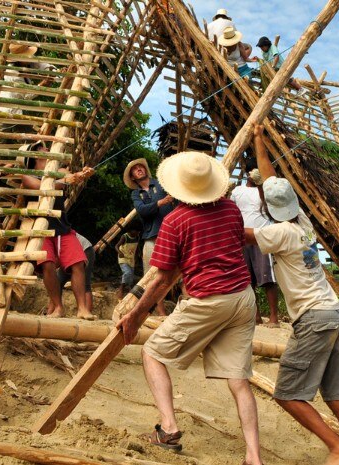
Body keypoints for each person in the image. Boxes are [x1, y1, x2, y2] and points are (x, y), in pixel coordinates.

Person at [116, 151, 262, 464]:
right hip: (242, 297)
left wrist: (135, 316)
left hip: (209, 300)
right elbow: (234, 243)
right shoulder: (231, 209)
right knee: (238, 380)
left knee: (152, 354)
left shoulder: (176, 221)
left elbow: (162, 280)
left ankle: (168, 429)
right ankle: (253, 456)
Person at [244, 124, 339, 465]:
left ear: (269, 208)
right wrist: (258, 140)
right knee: (337, 398)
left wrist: (206, 201)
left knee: (287, 394)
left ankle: (338, 447)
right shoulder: (302, 221)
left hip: (314, 319)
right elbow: (272, 180)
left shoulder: (280, 233)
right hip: (335, 314)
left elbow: (241, 234)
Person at [16, 141, 94, 320]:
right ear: (34, 155)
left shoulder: (61, 170)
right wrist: (66, 180)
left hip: (62, 227)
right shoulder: (27, 175)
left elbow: (69, 176)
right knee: (47, 265)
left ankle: (82, 309)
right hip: (40, 228)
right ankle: (58, 307)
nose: (47, 149)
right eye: (42, 148)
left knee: (78, 263)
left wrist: (81, 175)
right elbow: (42, 188)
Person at [230, 167, 280, 327]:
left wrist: (261, 186)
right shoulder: (237, 191)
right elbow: (232, 210)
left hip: (262, 237)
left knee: (268, 279)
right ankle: (256, 316)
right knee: (247, 280)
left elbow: (271, 209)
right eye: (253, 172)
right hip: (243, 238)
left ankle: (274, 317)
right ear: (247, 174)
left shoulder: (265, 192)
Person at [125, 157, 175, 316]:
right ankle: (160, 312)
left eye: (141, 166)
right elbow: (142, 211)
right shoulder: (135, 194)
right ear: (132, 177)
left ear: (146, 170)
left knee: (181, 272)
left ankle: (188, 304)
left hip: (171, 235)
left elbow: (176, 197)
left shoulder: (161, 184)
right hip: (151, 237)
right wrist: (160, 203)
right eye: (135, 169)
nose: (139, 169)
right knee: (151, 277)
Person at [0, 44, 56, 145]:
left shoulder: (26, 63)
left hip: (19, 109)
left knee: (29, 138)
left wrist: (54, 72)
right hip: (8, 110)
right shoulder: (12, 73)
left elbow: (41, 64)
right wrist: (42, 85)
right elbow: (25, 95)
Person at [116, 223, 141, 299]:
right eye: (136, 231)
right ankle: (121, 288)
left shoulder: (137, 237)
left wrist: (137, 257)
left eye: (138, 231)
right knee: (127, 272)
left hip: (131, 259)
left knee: (130, 276)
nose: (138, 232)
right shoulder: (125, 237)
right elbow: (116, 246)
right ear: (130, 230)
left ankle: (129, 288)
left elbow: (137, 248)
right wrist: (119, 252)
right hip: (123, 258)